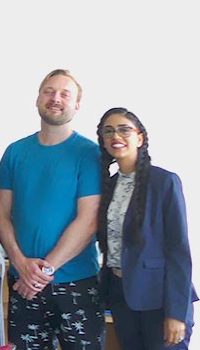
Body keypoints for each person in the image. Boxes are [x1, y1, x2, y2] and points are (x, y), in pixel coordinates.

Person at [0, 69, 104, 349]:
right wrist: (20, 263)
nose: (56, 98)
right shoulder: (15, 152)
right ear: (38, 99)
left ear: (76, 105)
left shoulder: (89, 154)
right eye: (49, 91)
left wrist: (43, 271)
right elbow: (1, 214)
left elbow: (88, 220)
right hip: (23, 284)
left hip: (76, 283)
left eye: (65, 94)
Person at [96, 107, 196, 349]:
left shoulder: (164, 182)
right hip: (121, 297)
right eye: (108, 131)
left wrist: (176, 313)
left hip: (159, 300)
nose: (115, 136)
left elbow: (178, 251)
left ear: (139, 137)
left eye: (123, 129)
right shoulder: (108, 185)